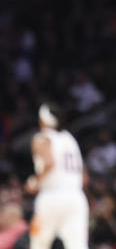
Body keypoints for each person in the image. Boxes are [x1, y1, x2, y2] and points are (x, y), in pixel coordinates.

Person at [25, 104, 88, 249]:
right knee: (78, 245)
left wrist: (35, 182)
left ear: (42, 120)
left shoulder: (42, 138)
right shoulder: (70, 139)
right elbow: (84, 176)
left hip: (52, 195)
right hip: (76, 197)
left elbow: (49, 162)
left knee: (39, 243)